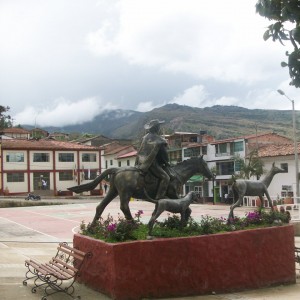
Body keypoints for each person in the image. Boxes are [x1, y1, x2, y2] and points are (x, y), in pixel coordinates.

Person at [135, 119, 170, 200]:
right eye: (159, 126)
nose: (159, 128)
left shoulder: (144, 137)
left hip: (139, 162)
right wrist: (166, 163)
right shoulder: (160, 140)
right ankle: (159, 196)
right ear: (157, 128)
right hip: (150, 164)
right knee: (166, 178)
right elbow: (164, 154)